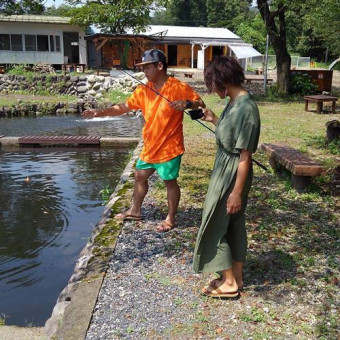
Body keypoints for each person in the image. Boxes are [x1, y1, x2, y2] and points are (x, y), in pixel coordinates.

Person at [82, 49, 205, 232]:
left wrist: (186, 104)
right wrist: (99, 112)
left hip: (170, 146)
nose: (144, 72)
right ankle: (135, 210)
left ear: (160, 66)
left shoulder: (177, 87)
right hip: (150, 145)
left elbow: (200, 103)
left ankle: (171, 218)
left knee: (169, 181)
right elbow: (123, 107)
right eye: (143, 68)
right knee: (139, 176)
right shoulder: (143, 89)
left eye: (147, 67)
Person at [192, 56, 260, 298]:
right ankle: (236, 277)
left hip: (232, 172)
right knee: (232, 223)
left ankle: (229, 282)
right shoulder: (234, 102)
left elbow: (244, 156)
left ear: (222, 80)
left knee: (213, 222)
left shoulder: (247, 109)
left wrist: (236, 192)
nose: (211, 89)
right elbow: (232, 136)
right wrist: (214, 119)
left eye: (212, 83)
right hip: (226, 166)